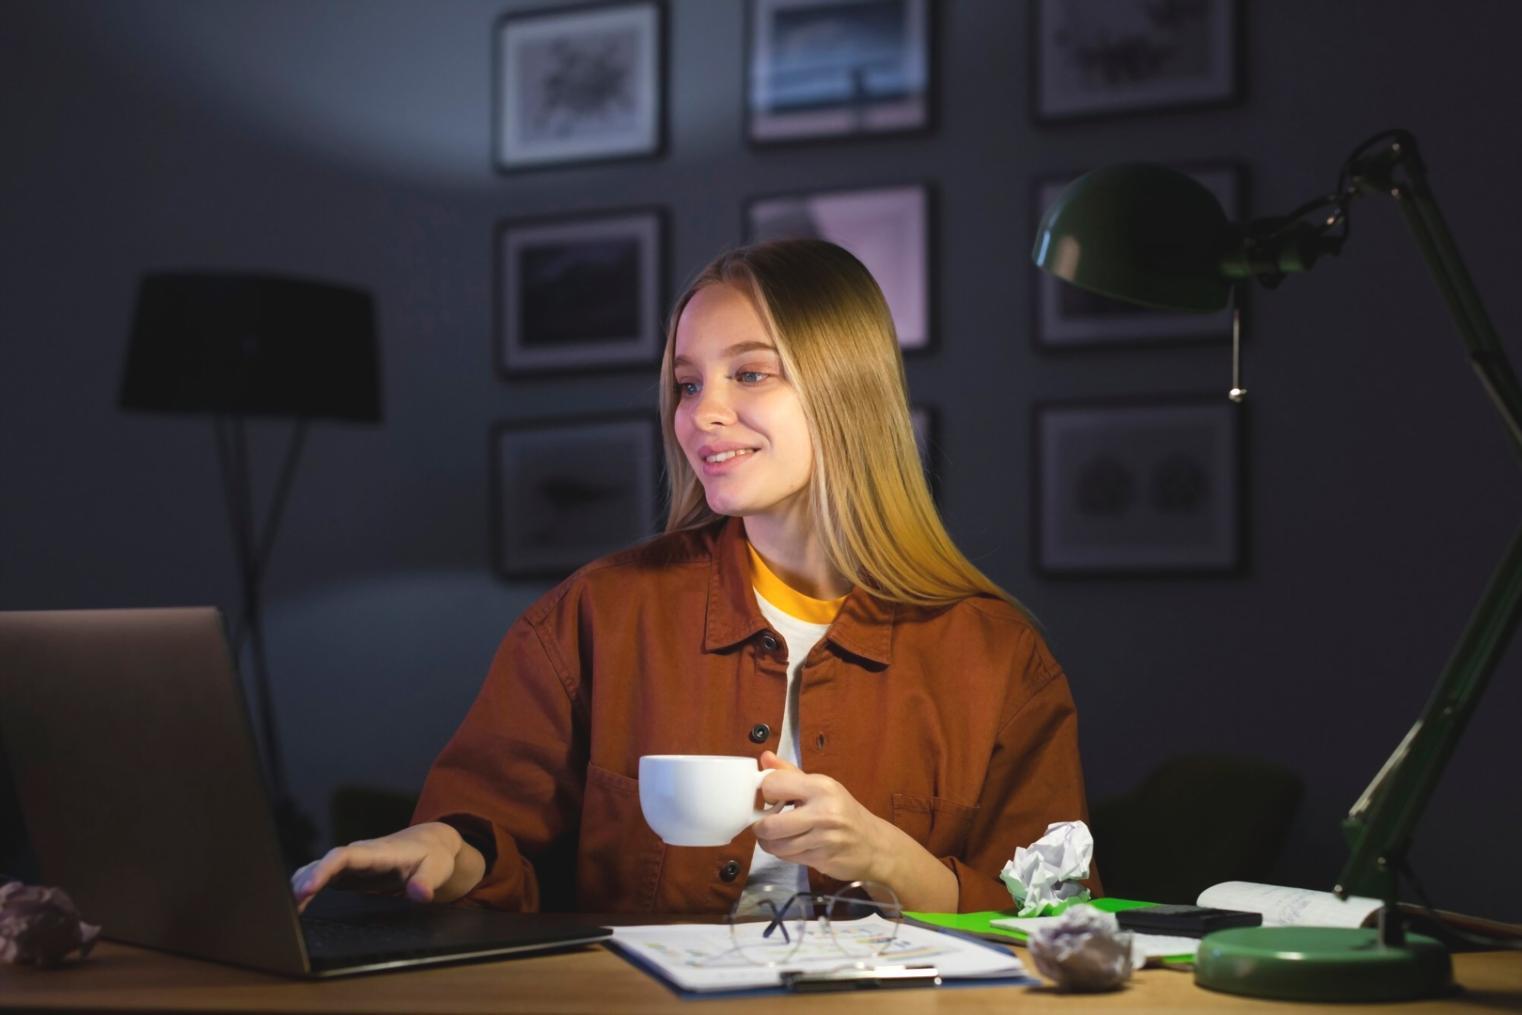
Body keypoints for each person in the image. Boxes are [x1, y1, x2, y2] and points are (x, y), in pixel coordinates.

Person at [291, 239, 1096, 915]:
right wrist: (447, 845)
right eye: (687, 382)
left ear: (847, 391)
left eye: (749, 374)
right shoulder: (597, 616)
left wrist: (890, 858)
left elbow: (1060, 918)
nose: (699, 414)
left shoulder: (998, 657)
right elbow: (486, 834)